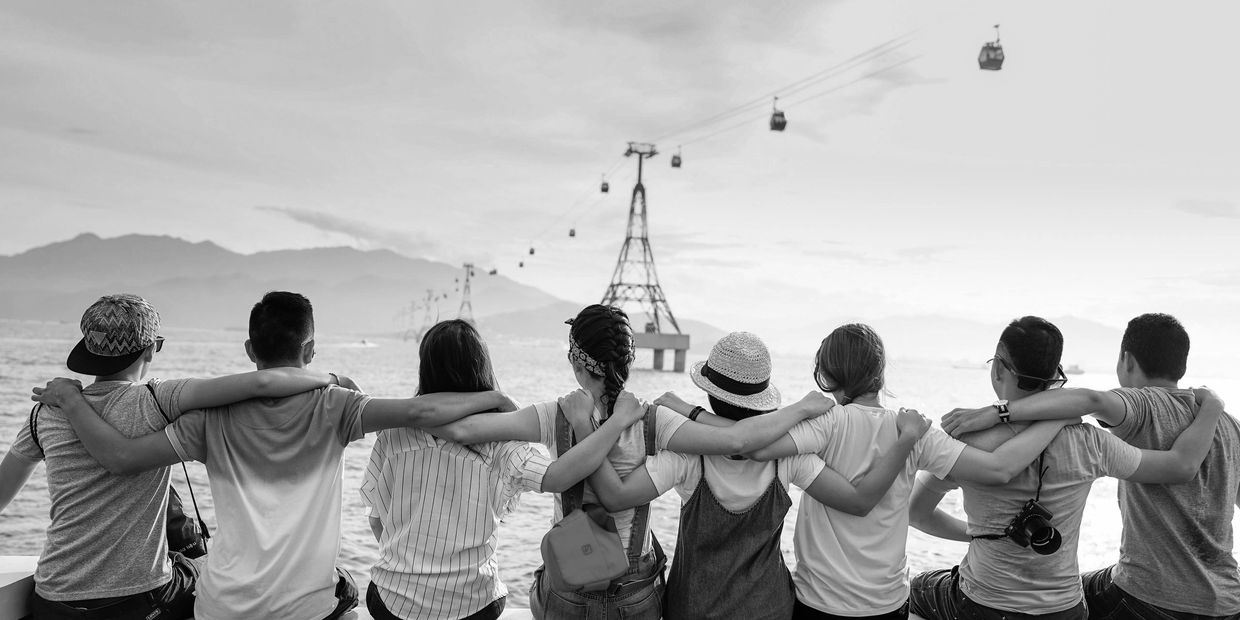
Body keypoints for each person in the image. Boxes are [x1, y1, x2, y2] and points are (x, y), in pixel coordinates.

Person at [32, 291, 514, 620]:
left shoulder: (209, 418)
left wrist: (74, 403)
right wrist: (494, 401)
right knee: (345, 585)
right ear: (311, 348)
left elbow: (121, 456)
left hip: (219, 606)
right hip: (305, 609)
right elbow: (425, 412)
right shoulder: (338, 407)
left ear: (248, 348)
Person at [428, 305, 836, 620]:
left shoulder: (556, 414)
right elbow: (737, 439)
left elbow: (462, 430)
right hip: (635, 592)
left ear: (576, 361)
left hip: (569, 585)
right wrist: (800, 409)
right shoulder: (654, 420)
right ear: (627, 361)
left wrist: (494, 400)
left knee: (542, 585)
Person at [0, 293, 341, 620]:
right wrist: (332, 379)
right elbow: (262, 384)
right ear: (150, 349)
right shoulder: (158, 399)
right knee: (200, 566)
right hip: (135, 603)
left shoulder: (44, 413)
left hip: (52, 599)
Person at [579, 331, 932, 620]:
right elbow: (857, 501)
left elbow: (615, 496)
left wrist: (588, 429)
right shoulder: (791, 458)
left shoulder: (687, 454)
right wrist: (905, 440)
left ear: (709, 393)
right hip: (771, 607)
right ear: (763, 398)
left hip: (693, 609)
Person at [744, 323, 1079, 620]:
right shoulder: (916, 431)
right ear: (880, 373)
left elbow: (752, 445)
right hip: (887, 604)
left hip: (819, 603)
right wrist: (1057, 418)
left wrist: (801, 408)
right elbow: (998, 469)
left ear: (827, 376)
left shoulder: (823, 425)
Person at [908, 316, 1226, 620]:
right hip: (1065, 610)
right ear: (1055, 375)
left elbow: (917, 514)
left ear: (999, 370)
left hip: (983, 604)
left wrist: (978, 536)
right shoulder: (1090, 442)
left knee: (916, 590)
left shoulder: (967, 439)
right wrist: (1211, 406)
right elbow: (1177, 466)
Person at [360, 319, 650, 620]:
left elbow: (377, 520)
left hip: (392, 599)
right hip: (472, 604)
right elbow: (557, 477)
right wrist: (615, 423)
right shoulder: (499, 443)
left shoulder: (393, 435)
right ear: (481, 370)